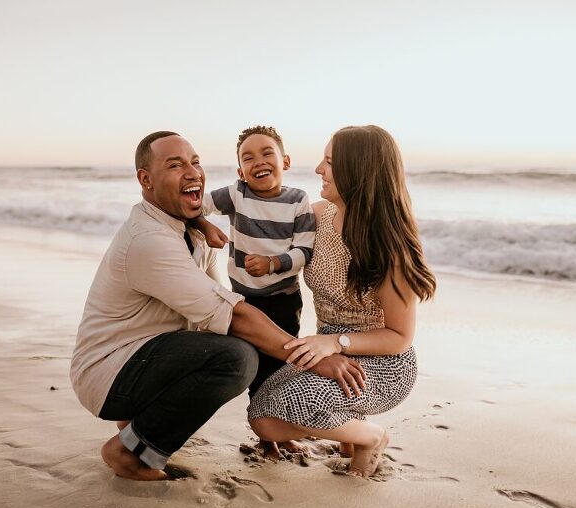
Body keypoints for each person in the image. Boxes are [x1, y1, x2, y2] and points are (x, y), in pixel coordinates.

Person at [69, 131, 365, 481]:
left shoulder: (191, 232)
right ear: (145, 180)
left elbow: (217, 301)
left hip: (138, 359)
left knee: (231, 346)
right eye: (176, 165)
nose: (193, 172)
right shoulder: (149, 240)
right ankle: (131, 453)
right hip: (108, 375)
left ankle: (136, 427)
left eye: (196, 162)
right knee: (236, 358)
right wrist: (316, 356)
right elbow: (231, 313)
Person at [247, 125, 436, 477]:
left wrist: (335, 342)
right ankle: (349, 436)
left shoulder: (389, 248)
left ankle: (371, 437)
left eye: (330, 161)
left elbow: (399, 337)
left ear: (358, 171)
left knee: (272, 421)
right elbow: (261, 214)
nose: (319, 168)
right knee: (259, 412)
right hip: (326, 349)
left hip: (382, 362)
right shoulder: (318, 216)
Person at [196, 125, 316, 457]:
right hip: (246, 301)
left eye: (267, 153)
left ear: (285, 161)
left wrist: (272, 263)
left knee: (283, 364)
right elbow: (194, 205)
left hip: (284, 299)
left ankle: (279, 427)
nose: (258, 162)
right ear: (240, 171)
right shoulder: (236, 194)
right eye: (248, 158)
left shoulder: (298, 200)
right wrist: (204, 224)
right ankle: (266, 438)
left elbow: (305, 251)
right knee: (257, 369)